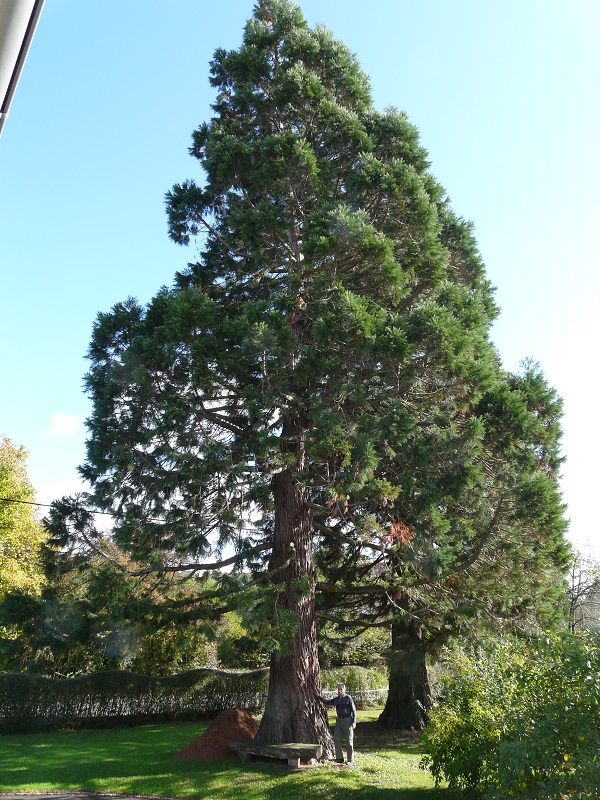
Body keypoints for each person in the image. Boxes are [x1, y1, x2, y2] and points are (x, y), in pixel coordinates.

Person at [316, 682, 357, 765]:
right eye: (338, 689)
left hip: (347, 720)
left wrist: (354, 721)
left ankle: (350, 760)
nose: (339, 691)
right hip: (339, 721)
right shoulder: (336, 700)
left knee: (349, 741)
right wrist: (318, 697)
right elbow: (327, 702)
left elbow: (354, 710)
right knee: (336, 738)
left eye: (341, 689)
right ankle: (340, 758)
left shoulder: (348, 698)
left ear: (344, 689)